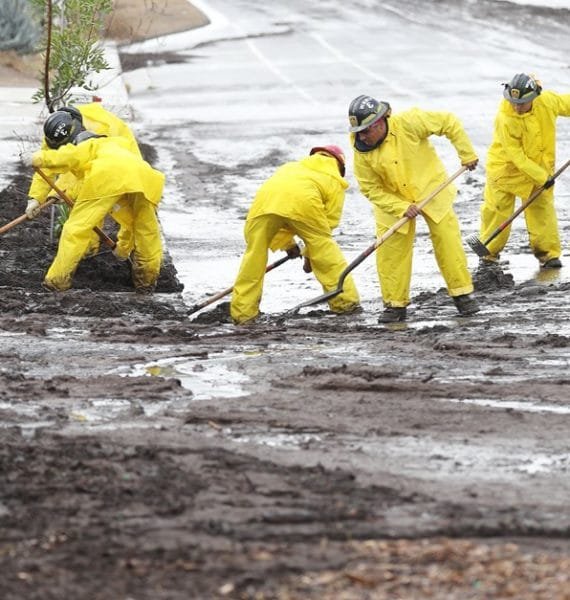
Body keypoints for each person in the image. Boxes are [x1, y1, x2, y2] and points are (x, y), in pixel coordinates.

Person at [348, 95, 479, 323]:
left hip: (430, 188)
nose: (361, 136)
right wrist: (400, 206)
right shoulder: (361, 150)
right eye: (358, 131)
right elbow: (370, 188)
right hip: (392, 199)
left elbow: (449, 122)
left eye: (365, 131)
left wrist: (466, 154)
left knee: (448, 241)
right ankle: (395, 305)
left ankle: (462, 295)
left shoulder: (410, 121)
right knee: (390, 252)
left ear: (379, 123)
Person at [21, 110, 165, 293]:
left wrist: (38, 158)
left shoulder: (88, 143)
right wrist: (36, 198)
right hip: (143, 177)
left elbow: (70, 157)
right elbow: (131, 222)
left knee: (75, 229)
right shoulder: (114, 142)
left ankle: (56, 282)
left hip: (105, 177)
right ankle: (146, 284)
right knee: (146, 230)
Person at [230, 146, 360, 325]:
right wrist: (310, 255)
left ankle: (243, 314)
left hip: (264, 204)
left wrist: (289, 246)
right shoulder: (333, 178)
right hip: (305, 203)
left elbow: (281, 214)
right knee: (325, 249)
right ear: (339, 165)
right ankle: (346, 303)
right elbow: (325, 228)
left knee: (254, 257)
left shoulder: (290, 168)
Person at [24, 102, 142, 260]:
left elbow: (87, 175)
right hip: (91, 160)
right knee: (84, 208)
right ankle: (89, 251)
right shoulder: (54, 135)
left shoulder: (96, 133)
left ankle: (129, 250)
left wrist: (65, 191)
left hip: (120, 156)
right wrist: (35, 199)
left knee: (126, 208)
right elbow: (48, 167)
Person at [478, 73, 570, 269]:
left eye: (522, 103)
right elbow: (516, 155)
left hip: (539, 169)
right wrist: (541, 177)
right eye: (513, 102)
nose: (517, 107)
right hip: (505, 170)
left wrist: (541, 175)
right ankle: (488, 254)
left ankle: (548, 255)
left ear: (534, 97)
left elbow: (567, 103)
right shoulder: (505, 118)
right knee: (497, 211)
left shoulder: (547, 102)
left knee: (542, 211)